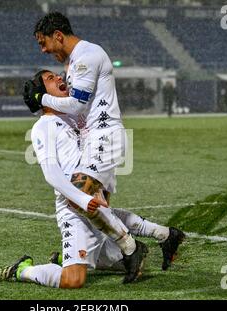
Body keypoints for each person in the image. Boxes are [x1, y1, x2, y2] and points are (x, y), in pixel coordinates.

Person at [0, 70, 185, 288]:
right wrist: (83, 200)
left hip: (92, 200)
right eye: (50, 79)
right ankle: (23, 270)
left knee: (125, 261)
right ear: (41, 93)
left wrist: (103, 189)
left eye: (57, 75)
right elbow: (52, 174)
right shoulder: (43, 126)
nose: (59, 78)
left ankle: (70, 257)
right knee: (73, 280)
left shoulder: (78, 118)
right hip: (72, 208)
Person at [25, 12, 163, 282]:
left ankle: (130, 248)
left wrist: (42, 97)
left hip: (103, 137)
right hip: (96, 139)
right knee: (95, 206)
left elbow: (77, 105)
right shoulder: (73, 64)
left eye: (43, 43)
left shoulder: (87, 55)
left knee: (79, 199)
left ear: (58, 36)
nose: (43, 50)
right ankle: (161, 236)